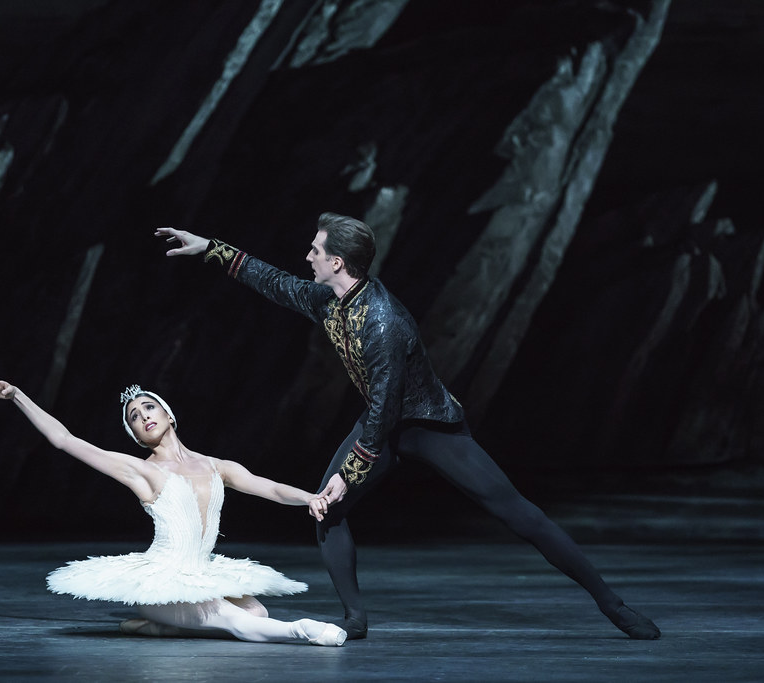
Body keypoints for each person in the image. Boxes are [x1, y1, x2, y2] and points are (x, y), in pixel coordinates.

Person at [155, 213, 661, 641]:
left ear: (336, 262)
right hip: (382, 423)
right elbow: (273, 282)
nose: (307, 257)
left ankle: (611, 604)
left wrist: (348, 471)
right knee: (325, 510)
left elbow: (384, 408)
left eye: (315, 251)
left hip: (428, 425)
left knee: (517, 513)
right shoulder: (329, 299)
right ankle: (354, 619)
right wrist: (209, 249)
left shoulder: (383, 322)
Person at [0, 379, 347, 646]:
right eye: (134, 416)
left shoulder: (215, 466)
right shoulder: (143, 471)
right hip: (162, 582)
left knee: (257, 615)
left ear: (168, 415)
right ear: (136, 435)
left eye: (148, 407)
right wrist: (18, 397)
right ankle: (303, 630)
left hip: (203, 573)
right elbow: (65, 441)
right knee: (239, 623)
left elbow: (267, 486)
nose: (143, 416)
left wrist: (309, 497)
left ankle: (161, 630)